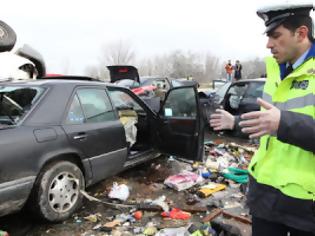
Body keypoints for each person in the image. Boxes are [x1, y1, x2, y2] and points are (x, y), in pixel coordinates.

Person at [210, 2, 315, 235]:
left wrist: (283, 123)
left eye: (276, 36)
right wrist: (235, 123)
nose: (269, 44)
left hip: (305, 204)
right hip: (265, 194)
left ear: (301, 33)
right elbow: (269, 123)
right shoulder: (275, 70)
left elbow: (280, 122)